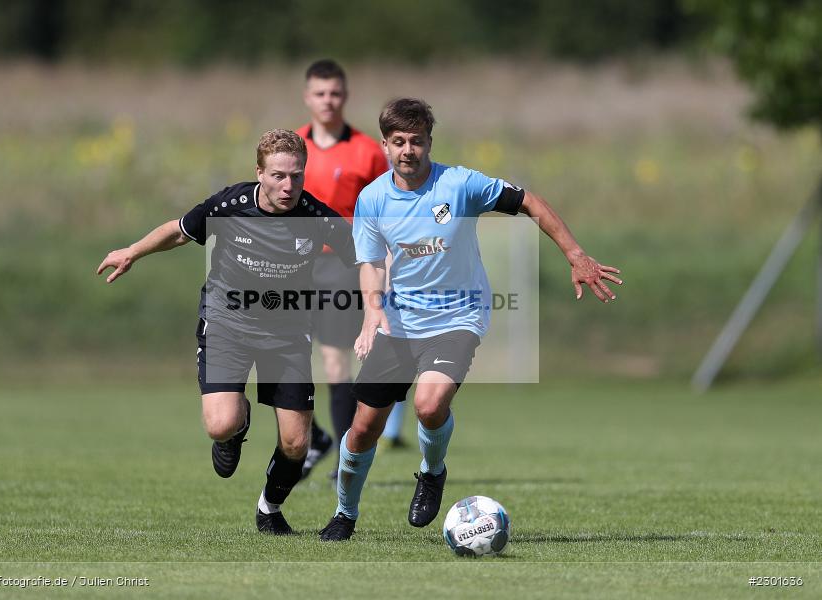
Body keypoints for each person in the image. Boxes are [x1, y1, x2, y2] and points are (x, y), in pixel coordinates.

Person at [319, 99, 622, 541]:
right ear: (385, 145)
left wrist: (575, 255)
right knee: (363, 428)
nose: (409, 150)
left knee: (428, 404)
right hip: (400, 322)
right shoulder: (372, 199)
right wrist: (373, 311)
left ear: (429, 142)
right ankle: (344, 514)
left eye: (417, 141)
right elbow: (369, 263)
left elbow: (530, 203)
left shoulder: (460, 184)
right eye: (399, 142)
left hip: (459, 316)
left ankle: (431, 471)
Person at [96, 129, 355, 535]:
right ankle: (237, 425)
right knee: (220, 424)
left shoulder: (317, 217)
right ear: (259, 172)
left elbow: (366, 256)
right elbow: (180, 230)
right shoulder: (231, 204)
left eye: (296, 176)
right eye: (278, 176)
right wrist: (132, 252)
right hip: (226, 325)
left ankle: (269, 508)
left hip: (287, 333)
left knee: (295, 443)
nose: (288, 186)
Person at [295, 59, 397, 479]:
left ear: (345, 96)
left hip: (340, 264)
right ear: (307, 97)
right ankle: (313, 437)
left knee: (336, 363)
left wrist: (387, 266)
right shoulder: (291, 146)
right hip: (290, 265)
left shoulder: (367, 151)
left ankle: (342, 457)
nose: (327, 101)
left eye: (334, 93)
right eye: (320, 93)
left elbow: (387, 210)